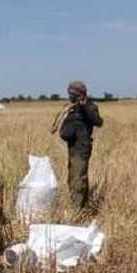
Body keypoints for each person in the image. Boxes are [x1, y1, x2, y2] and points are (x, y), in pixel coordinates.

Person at [51, 80, 103, 209]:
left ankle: (78, 210)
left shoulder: (90, 107)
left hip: (82, 148)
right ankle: (77, 204)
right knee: (72, 178)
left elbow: (98, 122)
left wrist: (85, 107)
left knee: (79, 179)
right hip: (72, 147)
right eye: (69, 93)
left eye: (73, 94)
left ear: (80, 94)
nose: (70, 96)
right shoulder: (72, 107)